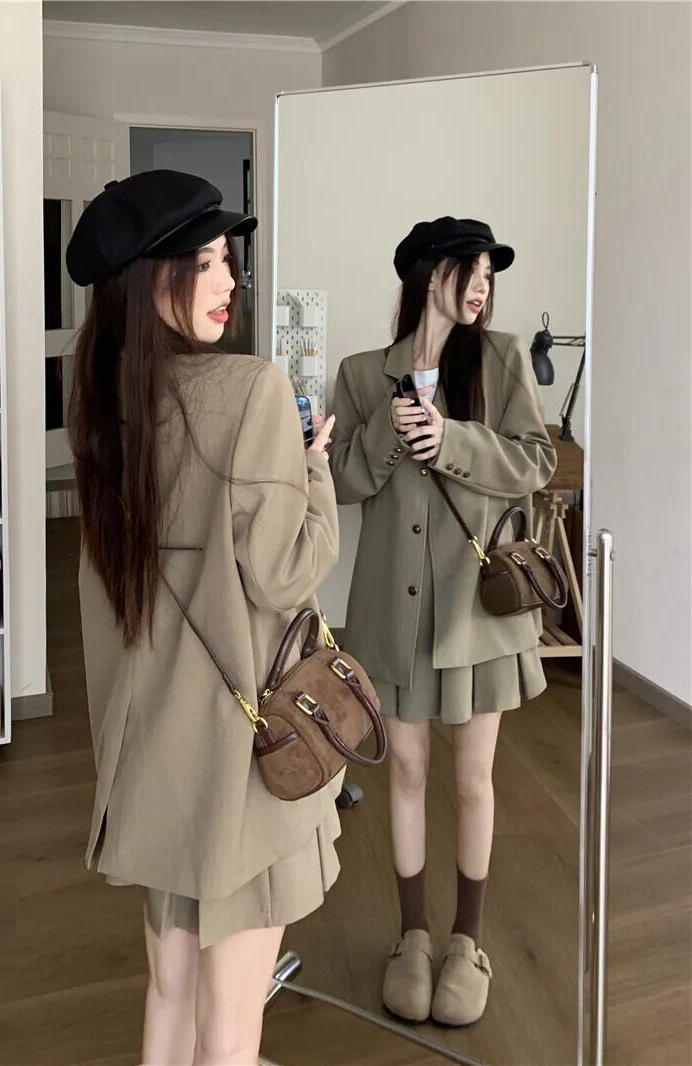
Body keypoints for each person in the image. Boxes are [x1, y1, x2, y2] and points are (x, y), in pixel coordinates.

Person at [65, 170, 340, 1066]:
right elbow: (287, 571)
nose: (228, 283)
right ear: (150, 279)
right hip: (242, 765)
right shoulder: (253, 391)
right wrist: (314, 468)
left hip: (154, 755)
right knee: (232, 1021)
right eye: (205, 263)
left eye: (229, 261)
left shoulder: (101, 397)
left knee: (170, 994)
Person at [329, 217, 556, 1027]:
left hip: (476, 615)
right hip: (390, 614)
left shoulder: (500, 360)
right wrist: (388, 437)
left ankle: (469, 940)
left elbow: (536, 462)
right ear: (432, 277)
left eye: (491, 275)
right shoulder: (364, 375)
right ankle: (413, 936)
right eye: (473, 272)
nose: (484, 288)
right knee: (408, 771)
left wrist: (452, 438)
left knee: (472, 779)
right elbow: (341, 483)